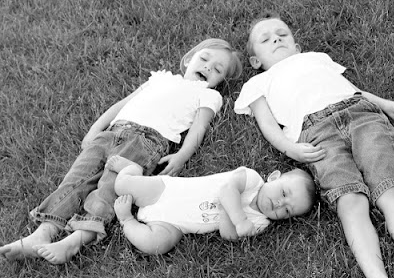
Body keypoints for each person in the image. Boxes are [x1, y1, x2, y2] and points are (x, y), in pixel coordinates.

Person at [234, 15, 394, 278]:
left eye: (282, 34)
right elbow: (267, 124)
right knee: (350, 201)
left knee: (390, 190)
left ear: (297, 44)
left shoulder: (316, 58)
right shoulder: (257, 82)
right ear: (255, 60)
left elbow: (351, 88)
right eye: (266, 40)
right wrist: (289, 147)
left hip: (361, 115)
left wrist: (385, 104)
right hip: (315, 134)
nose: (277, 40)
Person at [0, 39, 243, 265]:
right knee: (75, 181)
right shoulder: (160, 79)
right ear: (189, 59)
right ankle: (42, 233)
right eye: (205, 59)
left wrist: (182, 155)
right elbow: (122, 104)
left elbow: (199, 127)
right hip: (111, 133)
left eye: (218, 69)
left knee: (110, 189)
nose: (208, 67)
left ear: (219, 82)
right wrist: (96, 128)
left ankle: (75, 241)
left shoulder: (208, 95)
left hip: (146, 142)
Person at [107, 155, 316, 254]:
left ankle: (126, 220)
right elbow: (227, 191)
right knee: (122, 185)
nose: (280, 203)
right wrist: (240, 219)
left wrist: (227, 211)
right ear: (273, 177)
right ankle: (132, 167)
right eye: (283, 193)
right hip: (168, 191)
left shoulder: (261, 223)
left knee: (156, 245)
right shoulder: (251, 179)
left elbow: (228, 235)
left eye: (287, 210)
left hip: (177, 224)